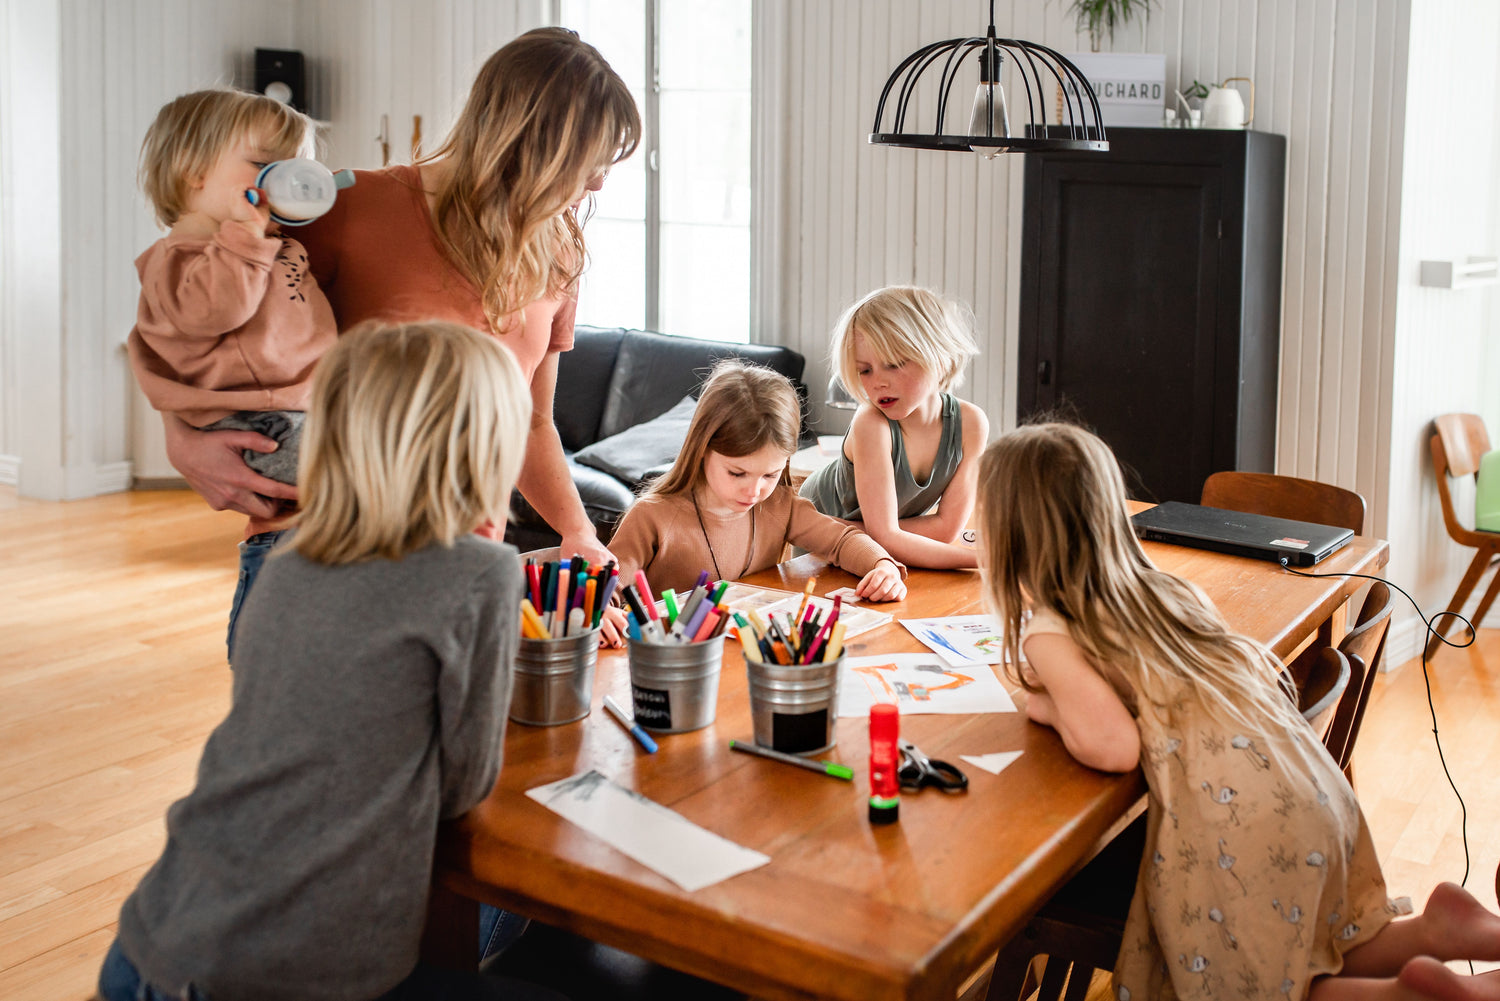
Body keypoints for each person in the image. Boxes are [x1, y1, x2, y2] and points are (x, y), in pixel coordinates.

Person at [98, 321, 563, 1001]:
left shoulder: (287, 561)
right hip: (280, 977)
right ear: (484, 452)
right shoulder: (479, 573)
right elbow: (463, 789)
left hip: (151, 941)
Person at [975, 421, 1500, 1001]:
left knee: (1260, 985)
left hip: (1237, 819)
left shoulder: (1052, 630)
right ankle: (1438, 930)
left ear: (1011, 537)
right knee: (1309, 948)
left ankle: (1415, 993)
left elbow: (1111, 745)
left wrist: (1040, 705)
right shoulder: (1167, 591)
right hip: (1304, 778)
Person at [158, 27, 641, 642]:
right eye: (589, 164)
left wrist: (579, 534)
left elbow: (529, 421)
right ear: (532, 142)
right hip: (318, 547)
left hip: (454, 562)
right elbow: (201, 320)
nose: (597, 186)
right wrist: (181, 438)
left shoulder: (558, 255)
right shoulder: (346, 207)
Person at [130, 88, 336, 488]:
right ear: (194, 169)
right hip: (254, 420)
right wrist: (245, 233)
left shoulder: (272, 243)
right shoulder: (178, 259)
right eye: (263, 165)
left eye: (293, 169)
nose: (282, 182)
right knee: (368, 476)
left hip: (311, 405)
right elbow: (216, 312)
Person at [610, 360, 907, 601]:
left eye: (770, 474)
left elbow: (842, 540)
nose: (754, 491)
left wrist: (882, 566)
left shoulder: (781, 506)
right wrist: (604, 609)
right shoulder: (651, 516)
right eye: (737, 473)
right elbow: (606, 587)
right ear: (702, 450)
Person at [799, 285, 988, 570]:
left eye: (895, 364)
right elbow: (886, 536)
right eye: (865, 370)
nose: (878, 382)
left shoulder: (971, 424)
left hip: (860, 539)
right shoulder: (871, 424)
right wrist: (984, 560)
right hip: (819, 546)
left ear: (938, 355)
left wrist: (870, 532)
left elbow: (946, 530)